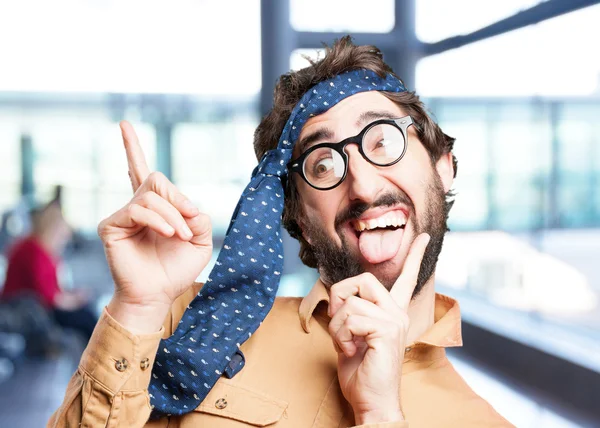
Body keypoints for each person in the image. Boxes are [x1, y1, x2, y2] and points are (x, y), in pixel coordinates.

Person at [49, 37, 513, 427]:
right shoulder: (185, 324)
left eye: (382, 140)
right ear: (301, 222)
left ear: (442, 166)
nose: (364, 185)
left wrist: (379, 415)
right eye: (324, 163)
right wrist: (139, 307)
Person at [1, 195, 97, 341]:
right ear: (52, 229)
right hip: (25, 310)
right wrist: (74, 300)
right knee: (86, 319)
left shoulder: (41, 249)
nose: (64, 241)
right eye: (62, 235)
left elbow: (52, 290)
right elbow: (48, 296)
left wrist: (73, 297)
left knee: (88, 315)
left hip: (36, 307)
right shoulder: (33, 250)